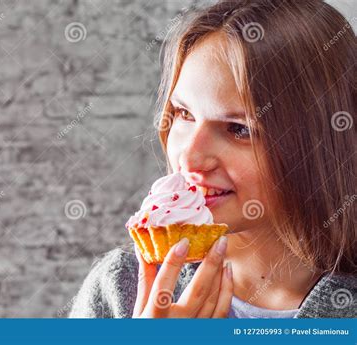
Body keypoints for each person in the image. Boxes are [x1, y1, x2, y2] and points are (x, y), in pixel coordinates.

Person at [68, 0, 356, 318]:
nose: (190, 157)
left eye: (238, 129)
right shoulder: (120, 289)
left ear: (322, 141)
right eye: (184, 113)